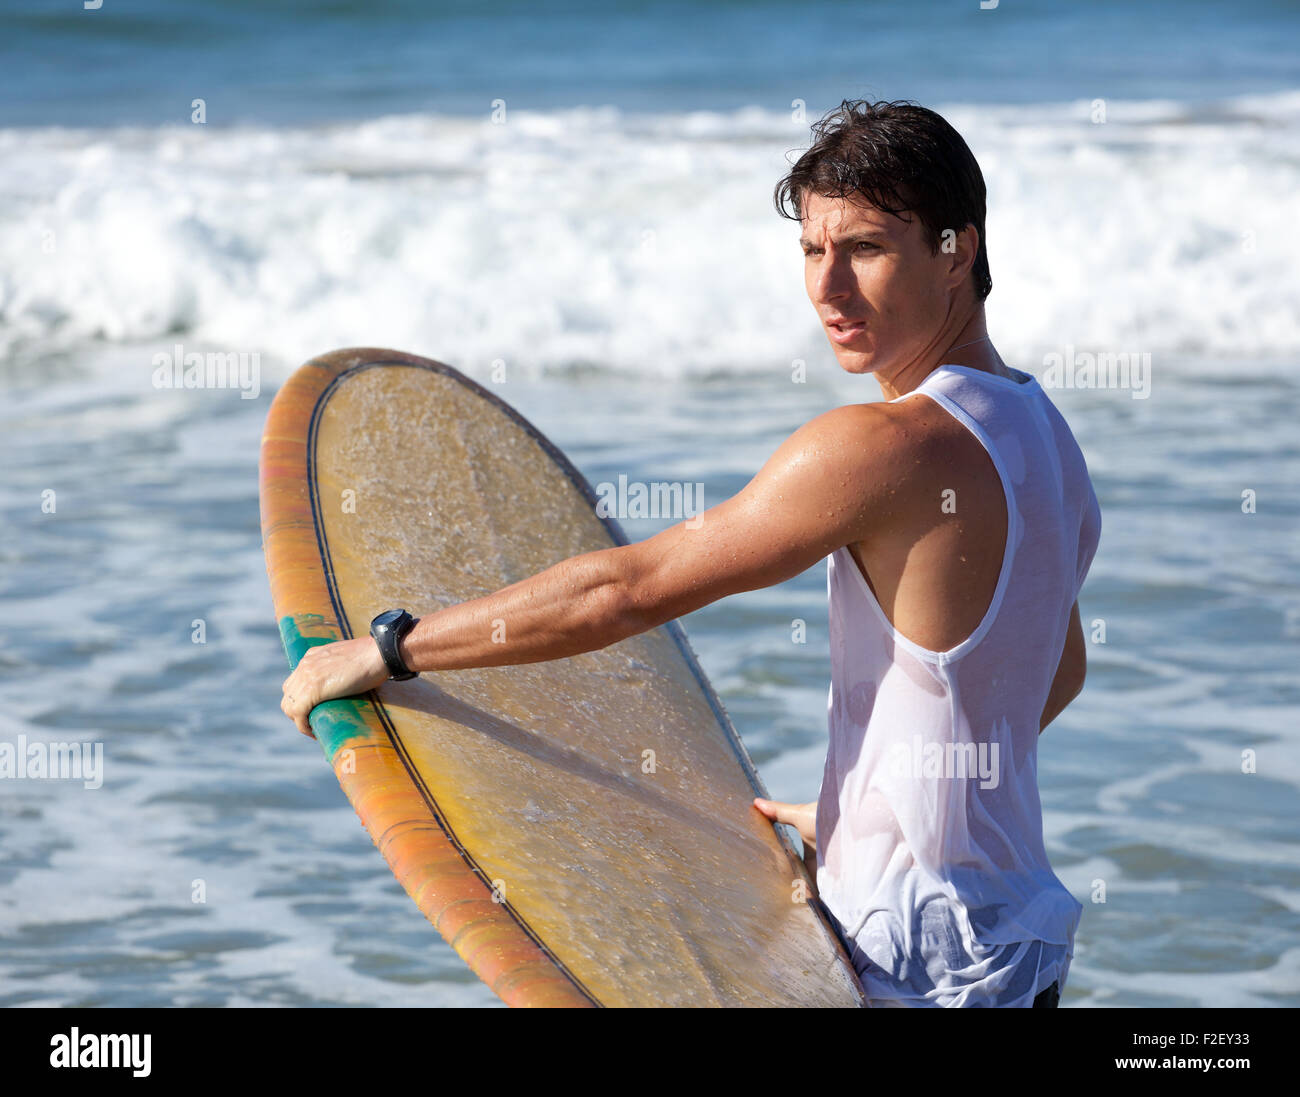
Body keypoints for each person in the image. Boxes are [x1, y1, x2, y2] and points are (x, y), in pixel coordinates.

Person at [281, 99, 1100, 1008]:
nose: (828, 290)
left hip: (911, 964)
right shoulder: (1045, 436)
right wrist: (877, 812)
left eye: (865, 248)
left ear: (958, 250)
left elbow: (627, 592)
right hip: (1014, 943)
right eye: (810, 252)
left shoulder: (879, 448)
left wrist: (393, 648)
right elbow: (1051, 669)